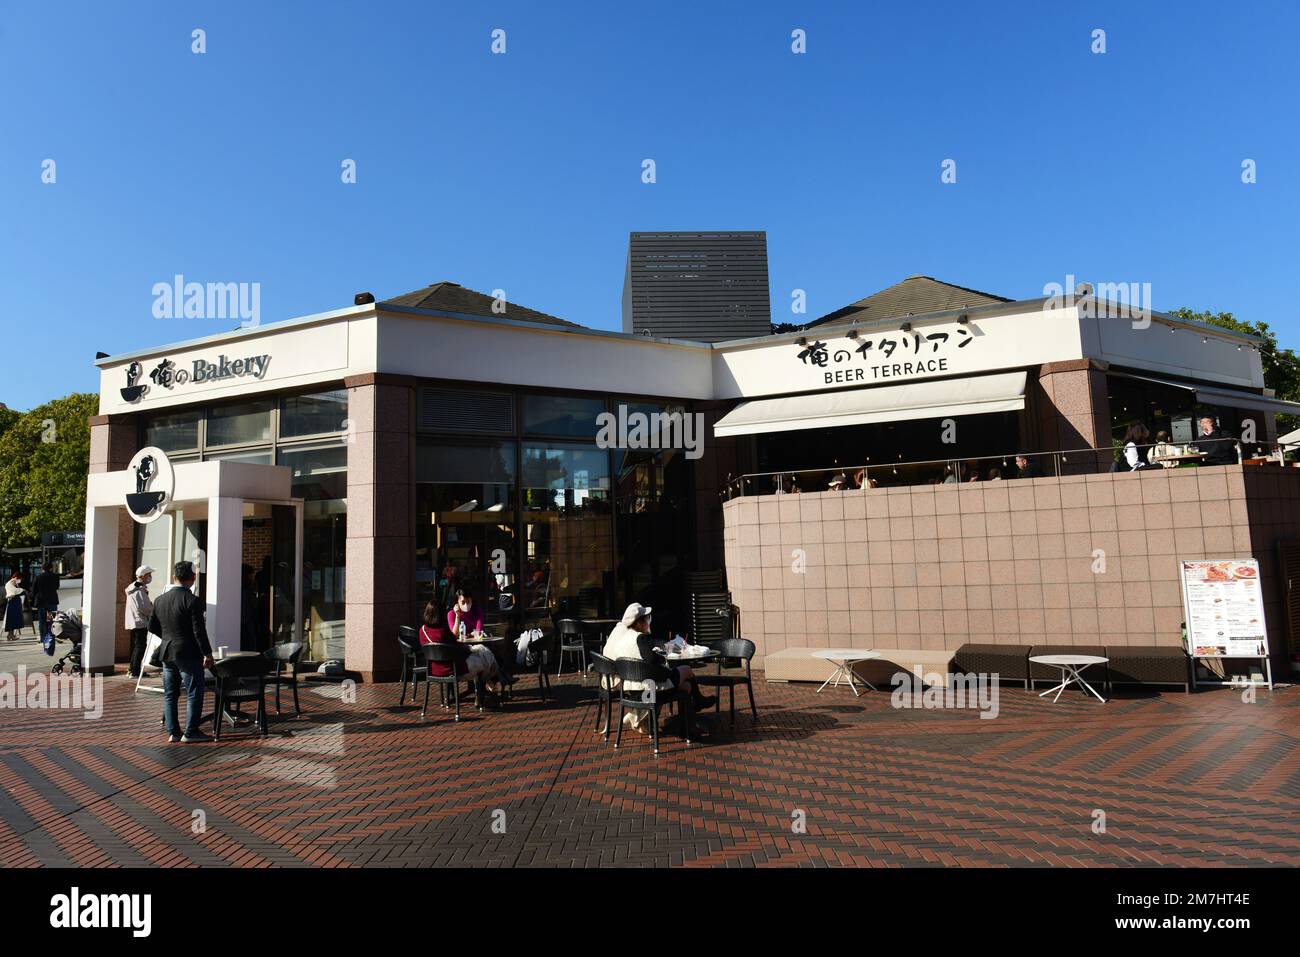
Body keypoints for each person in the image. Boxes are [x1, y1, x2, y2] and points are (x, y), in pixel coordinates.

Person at [601, 603, 715, 735]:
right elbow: (652, 662)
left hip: (629, 684)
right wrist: (663, 660)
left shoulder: (623, 636)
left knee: (687, 686)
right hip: (650, 686)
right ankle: (695, 711)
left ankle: (686, 723)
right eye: (647, 619)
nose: (649, 622)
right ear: (640, 622)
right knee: (687, 670)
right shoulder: (640, 638)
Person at [148, 561, 214, 743]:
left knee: (170, 694)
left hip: (167, 651)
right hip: (188, 652)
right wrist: (207, 653)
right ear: (193, 579)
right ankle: (191, 731)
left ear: (173, 577)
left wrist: (168, 636)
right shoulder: (193, 601)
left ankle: (173, 732)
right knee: (194, 691)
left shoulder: (160, 600)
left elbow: (151, 626)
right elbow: (198, 631)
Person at [419, 599, 497, 684]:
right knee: (484, 658)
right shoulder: (443, 632)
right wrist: (469, 649)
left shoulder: (422, 630)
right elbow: (457, 649)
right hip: (453, 669)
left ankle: (492, 680)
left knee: (482, 654)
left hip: (433, 669)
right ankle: (482, 690)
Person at [123, 565, 154, 677]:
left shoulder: (134, 587)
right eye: (149, 575)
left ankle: (133, 669)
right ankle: (134, 670)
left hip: (135, 621)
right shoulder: (139, 590)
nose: (150, 577)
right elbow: (144, 607)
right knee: (140, 646)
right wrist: (153, 610)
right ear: (144, 575)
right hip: (139, 621)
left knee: (138, 646)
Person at [31, 561, 59, 643]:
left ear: (42, 568)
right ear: (51, 568)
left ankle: (43, 638)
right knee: (51, 620)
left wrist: (33, 599)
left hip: (41, 602)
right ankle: (51, 637)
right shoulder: (55, 576)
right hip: (52, 601)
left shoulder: (38, 577)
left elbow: (34, 590)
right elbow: (57, 587)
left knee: (42, 621)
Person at [4, 571, 24, 640]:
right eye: (19, 578)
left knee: (14, 620)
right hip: (12, 602)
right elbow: (14, 591)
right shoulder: (10, 583)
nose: (20, 580)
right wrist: (21, 589)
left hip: (15, 602)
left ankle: (11, 635)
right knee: (12, 619)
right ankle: (10, 635)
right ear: (16, 577)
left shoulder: (14, 583)